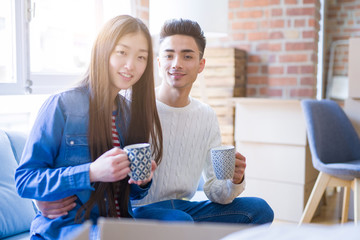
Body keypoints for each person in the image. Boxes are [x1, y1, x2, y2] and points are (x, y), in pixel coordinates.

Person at [35, 18, 274, 225]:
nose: (176, 63)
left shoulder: (206, 115)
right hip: (137, 210)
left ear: (201, 65)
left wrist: (234, 180)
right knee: (181, 222)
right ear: (158, 63)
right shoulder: (128, 105)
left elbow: (215, 191)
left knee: (259, 210)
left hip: (182, 209)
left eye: (187, 56)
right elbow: (78, 160)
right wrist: (40, 198)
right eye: (168, 55)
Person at [15, 15, 163, 240]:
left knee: (181, 222)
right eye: (122, 52)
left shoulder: (130, 112)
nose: (131, 65)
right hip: (70, 227)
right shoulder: (62, 105)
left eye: (141, 57)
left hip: (115, 223)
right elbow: (25, 180)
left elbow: (132, 195)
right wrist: (91, 172)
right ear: (103, 50)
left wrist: (142, 181)